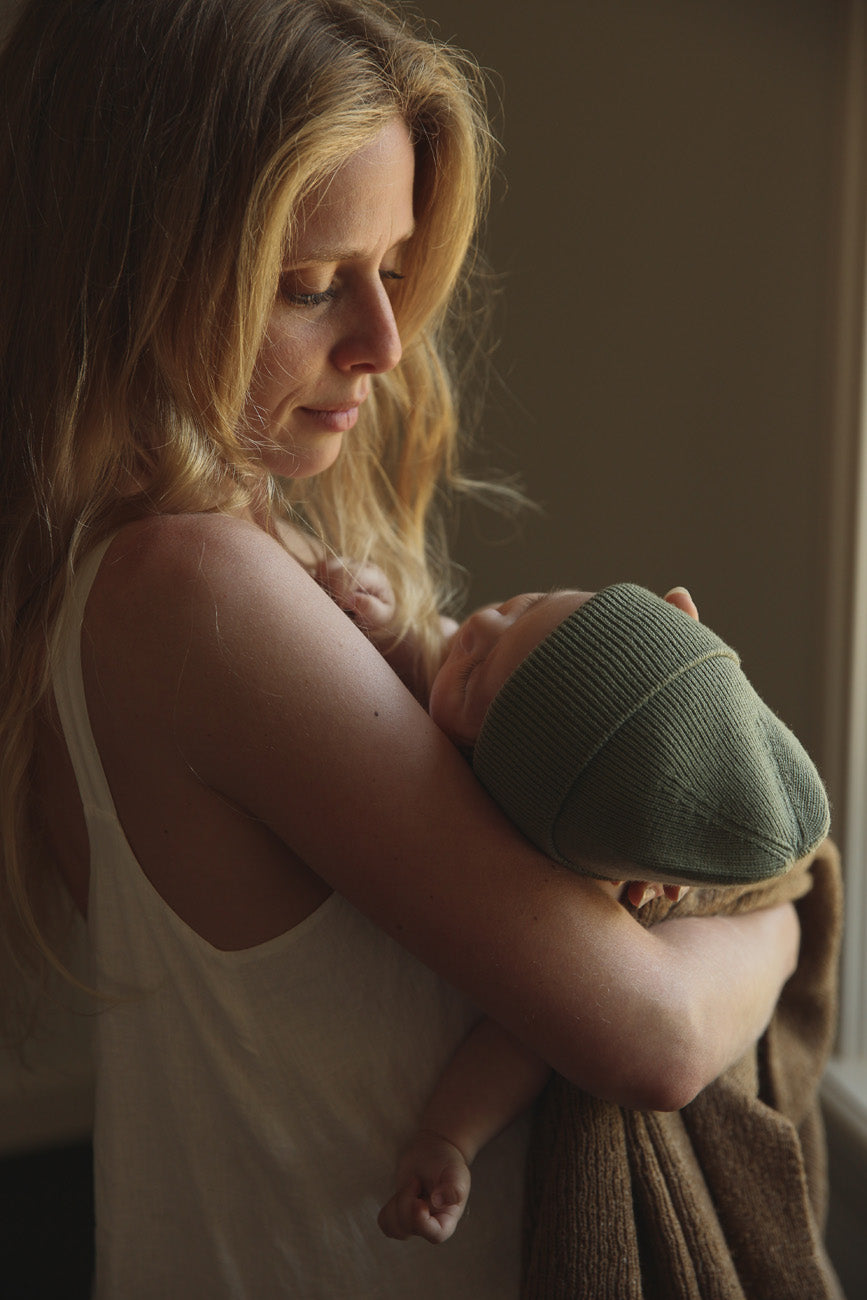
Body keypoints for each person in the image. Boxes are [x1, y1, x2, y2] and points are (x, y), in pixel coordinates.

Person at [0, 2, 802, 1296]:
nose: (385, 339)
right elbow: (652, 1036)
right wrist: (785, 918)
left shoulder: (141, 573)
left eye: (393, 264)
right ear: (125, 269)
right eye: (312, 284)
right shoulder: (194, 594)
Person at [366, 580, 830, 1244]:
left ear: (621, 888)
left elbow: (522, 1038)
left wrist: (449, 1135)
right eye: (529, 606)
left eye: (470, 683)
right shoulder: (561, 756)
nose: (475, 628)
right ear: (677, 611)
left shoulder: (589, 881)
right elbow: (450, 644)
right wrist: (397, 626)